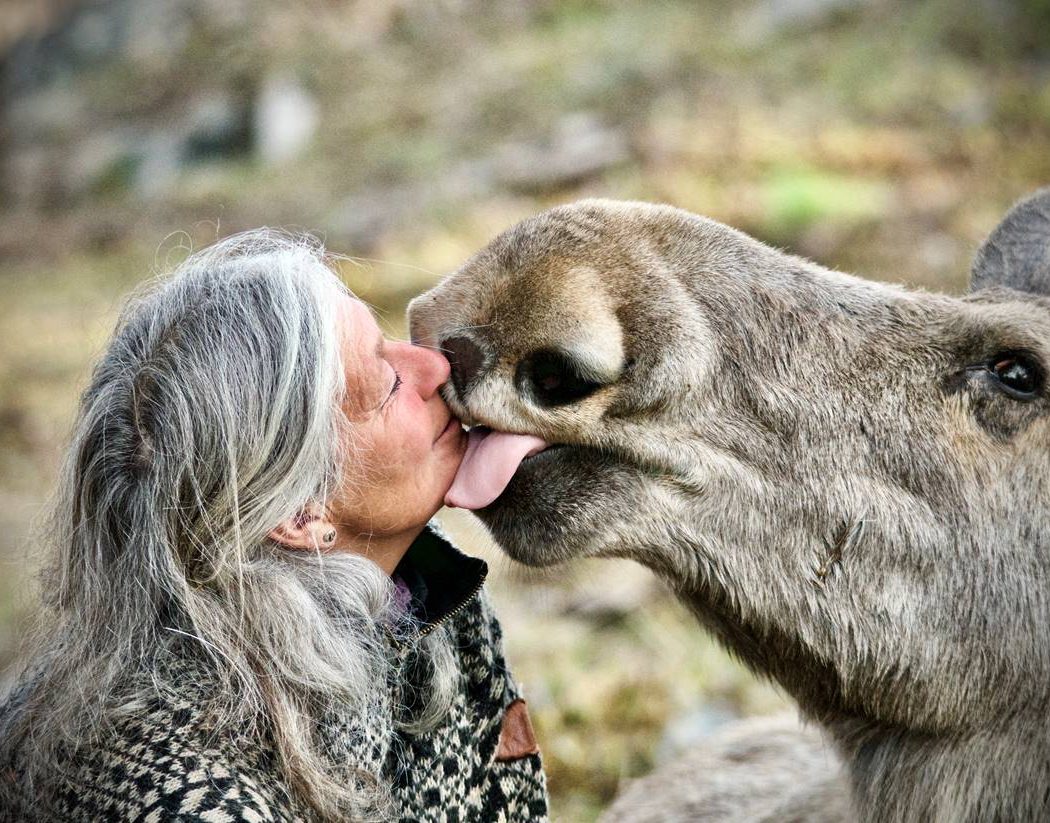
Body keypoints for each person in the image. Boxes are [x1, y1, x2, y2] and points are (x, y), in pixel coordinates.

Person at [0, 232, 549, 821]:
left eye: (385, 339)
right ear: (301, 514)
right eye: (388, 385)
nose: (435, 365)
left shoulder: (430, 595)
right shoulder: (193, 802)